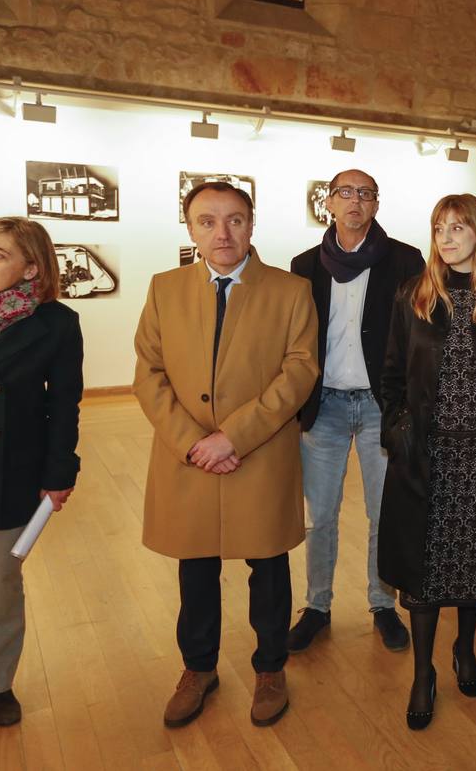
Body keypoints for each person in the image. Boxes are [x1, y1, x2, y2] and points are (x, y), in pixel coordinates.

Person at [135, 181, 319, 729]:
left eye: (235, 220)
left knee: (267, 565)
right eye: (208, 221)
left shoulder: (291, 291)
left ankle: (269, 668)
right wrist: (195, 442)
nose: (222, 232)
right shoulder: (165, 288)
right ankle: (198, 669)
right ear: (190, 228)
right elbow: (149, 372)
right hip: (187, 456)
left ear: (251, 224)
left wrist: (233, 437)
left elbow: (300, 371)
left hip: (258, 454)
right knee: (196, 568)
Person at [375, 194, 476, 730]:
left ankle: (466, 648)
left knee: (474, 564)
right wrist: (399, 431)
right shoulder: (415, 295)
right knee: (423, 570)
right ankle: (422, 673)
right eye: (439, 228)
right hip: (423, 456)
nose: (447, 238)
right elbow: (389, 375)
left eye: (458, 227)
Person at [0, 218, 82, 729]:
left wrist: (60, 472)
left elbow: (63, 403)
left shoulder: (58, 322)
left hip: (13, 473)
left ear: (31, 267)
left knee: (3, 585)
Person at [288, 169, 424, 654]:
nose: (355, 202)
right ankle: (318, 606)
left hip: (377, 406)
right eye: (346, 192)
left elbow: (419, 336)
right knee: (319, 515)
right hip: (322, 405)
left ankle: (381, 603)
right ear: (328, 201)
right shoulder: (305, 265)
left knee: (381, 512)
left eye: (366, 194)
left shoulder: (406, 261)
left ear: (376, 204)